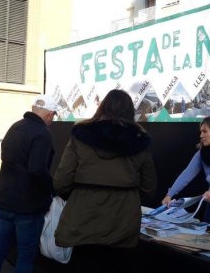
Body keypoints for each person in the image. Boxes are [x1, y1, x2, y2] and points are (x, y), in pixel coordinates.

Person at [53, 89, 157, 273]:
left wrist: (78, 196)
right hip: (122, 222)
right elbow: (149, 188)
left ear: (103, 108)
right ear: (130, 111)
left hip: (83, 218)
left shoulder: (81, 135)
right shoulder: (140, 140)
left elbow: (62, 179)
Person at [0, 95, 57, 273]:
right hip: (27, 205)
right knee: (25, 255)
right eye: (53, 116)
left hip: (4, 200)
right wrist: (52, 189)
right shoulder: (42, 133)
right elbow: (37, 169)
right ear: (49, 114)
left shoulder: (15, 127)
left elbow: (6, 158)